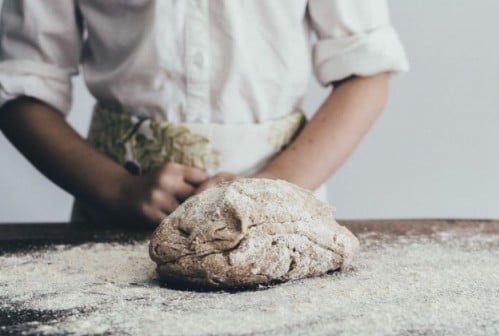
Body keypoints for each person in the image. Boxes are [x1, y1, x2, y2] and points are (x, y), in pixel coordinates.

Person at [0, 0, 409, 226]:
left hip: (281, 212)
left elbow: (366, 73)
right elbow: (19, 82)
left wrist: (268, 190)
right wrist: (116, 190)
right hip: (116, 215)